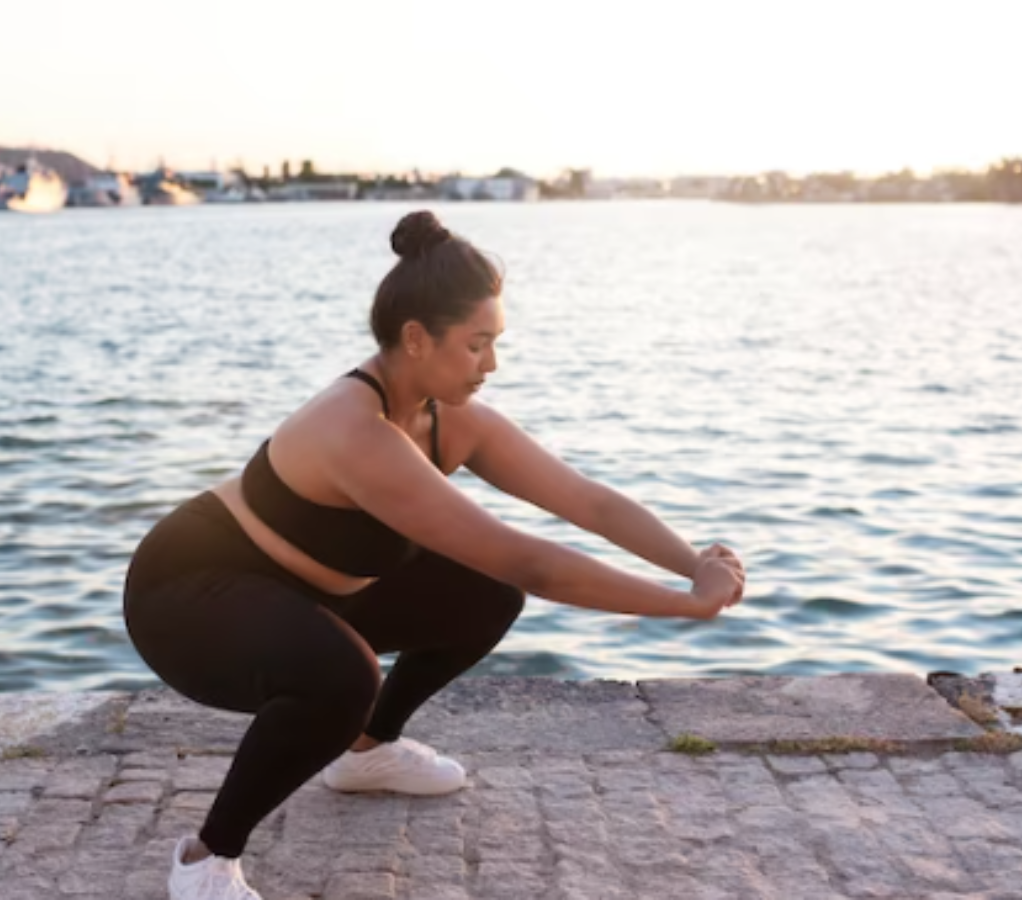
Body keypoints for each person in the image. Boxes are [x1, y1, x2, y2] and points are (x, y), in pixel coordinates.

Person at [122, 210, 747, 900]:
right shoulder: (354, 428)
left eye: (496, 343)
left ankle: (367, 752)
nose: (492, 364)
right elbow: (530, 560)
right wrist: (685, 605)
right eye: (477, 345)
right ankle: (205, 862)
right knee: (343, 676)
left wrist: (692, 563)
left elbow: (587, 502)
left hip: (297, 588)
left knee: (485, 595)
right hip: (185, 597)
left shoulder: (449, 420)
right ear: (417, 339)